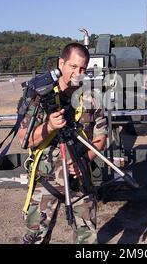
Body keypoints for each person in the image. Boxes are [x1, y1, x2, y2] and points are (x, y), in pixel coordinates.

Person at [18, 43, 107, 244]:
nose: (78, 73)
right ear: (61, 63)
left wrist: (83, 160)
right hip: (45, 180)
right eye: (73, 67)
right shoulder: (40, 94)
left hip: (80, 179)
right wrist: (49, 126)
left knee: (88, 240)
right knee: (35, 238)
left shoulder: (92, 97)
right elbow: (24, 138)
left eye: (83, 69)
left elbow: (101, 138)